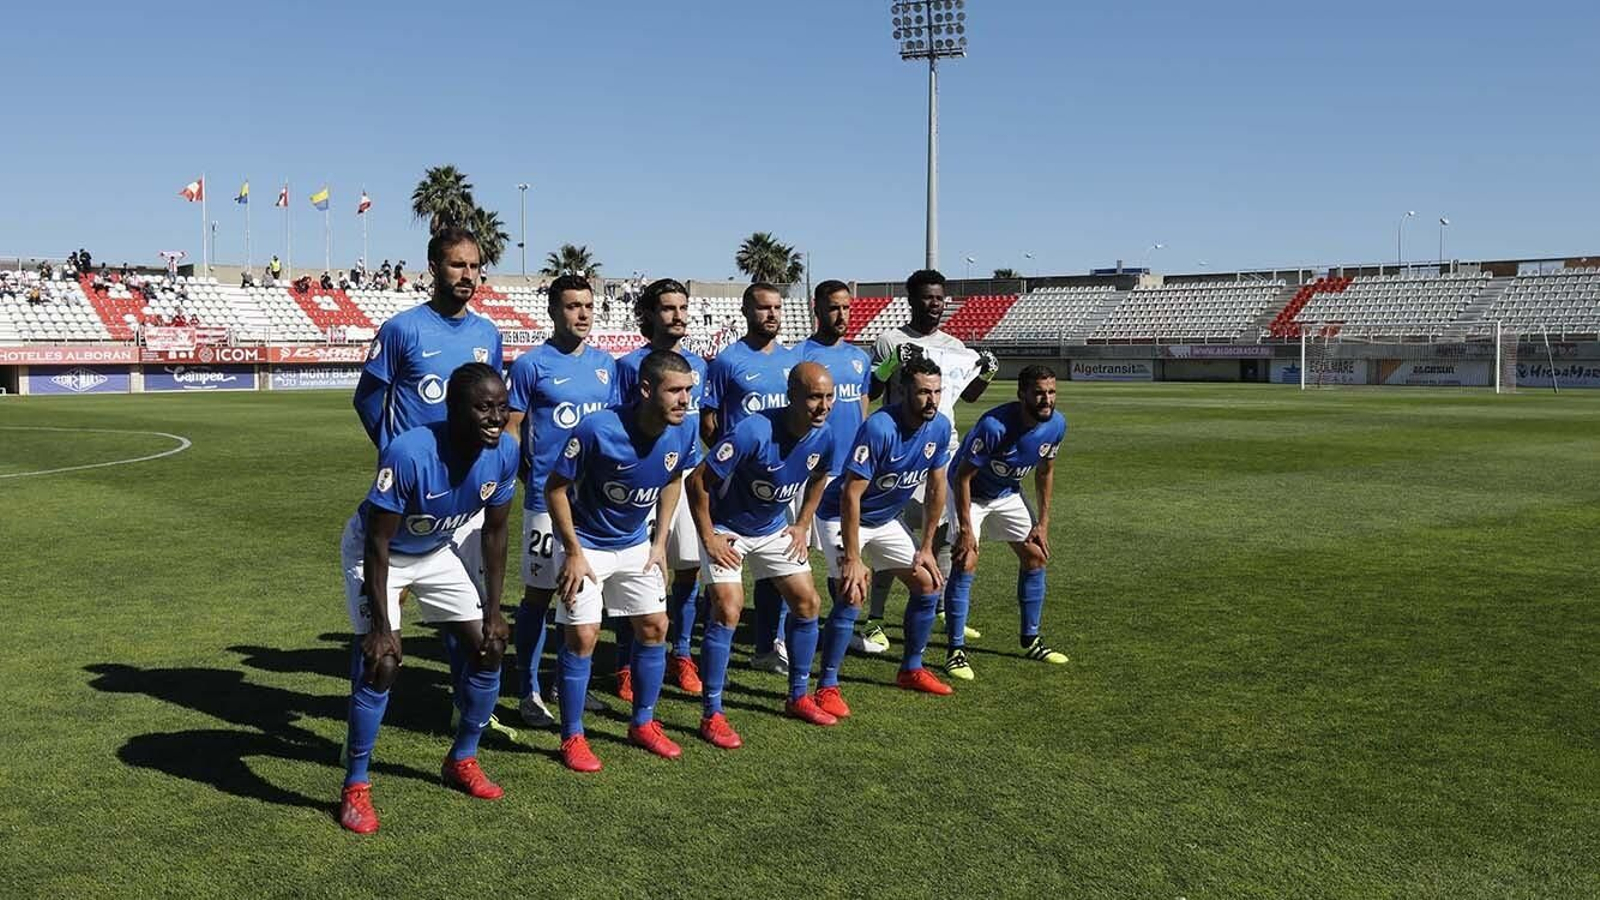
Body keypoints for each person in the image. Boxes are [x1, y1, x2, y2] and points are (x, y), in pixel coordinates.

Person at [336, 363, 520, 834]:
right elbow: (378, 542)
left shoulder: (504, 454)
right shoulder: (409, 452)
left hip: (436, 550)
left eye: (501, 407)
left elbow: (496, 534)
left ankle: (462, 758)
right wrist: (381, 625)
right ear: (453, 409)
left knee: (490, 646)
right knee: (384, 661)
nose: (496, 417)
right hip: (379, 554)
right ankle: (355, 785)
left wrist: (495, 610)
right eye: (483, 407)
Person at [351, 227, 505, 715]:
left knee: (474, 617)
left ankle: (467, 707)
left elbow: (495, 401)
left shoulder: (487, 334)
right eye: (457, 264)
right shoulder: (403, 329)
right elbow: (368, 396)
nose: (467, 275)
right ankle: (364, 715)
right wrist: (399, 451)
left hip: (470, 492)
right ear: (433, 268)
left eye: (475, 265)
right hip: (416, 488)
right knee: (384, 637)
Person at [546, 350, 700, 772]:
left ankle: (643, 723)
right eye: (675, 390)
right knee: (584, 636)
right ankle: (572, 736)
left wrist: (659, 539)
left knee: (654, 627)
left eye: (689, 389)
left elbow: (673, 479)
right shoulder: (598, 428)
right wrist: (573, 552)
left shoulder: (683, 432)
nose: (685, 399)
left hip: (637, 543)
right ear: (646, 389)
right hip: (587, 546)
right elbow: (554, 488)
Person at [686, 362, 839, 748]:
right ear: (792, 397)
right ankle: (713, 713)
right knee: (728, 609)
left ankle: (798, 697)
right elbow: (697, 481)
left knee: (808, 603)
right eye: (814, 398)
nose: (823, 406)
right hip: (728, 528)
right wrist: (709, 537)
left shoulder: (825, 435)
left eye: (828, 397)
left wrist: (803, 523)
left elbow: (821, 475)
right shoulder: (753, 431)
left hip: (774, 529)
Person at [857, 268, 999, 653]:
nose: (934, 304)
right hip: (899, 451)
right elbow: (872, 388)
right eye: (926, 298)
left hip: (942, 448)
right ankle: (875, 619)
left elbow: (967, 397)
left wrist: (985, 372)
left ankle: (938, 606)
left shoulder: (954, 345)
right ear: (911, 300)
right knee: (893, 535)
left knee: (941, 532)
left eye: (939, 298)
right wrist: (890, 365)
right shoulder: (891, 340)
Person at [505, 274, 618, 728]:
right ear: (553, 311)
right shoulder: (531, 365)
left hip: (594, 506)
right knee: (538, 596)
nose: (583, 314)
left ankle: (566, 683)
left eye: (588, 305)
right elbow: (511, 427)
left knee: (584, 596)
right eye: (573, 306)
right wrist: (520, 474)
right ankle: (529, 690)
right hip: (545, 501)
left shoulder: (606, 365)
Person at [814, 356, 955, 715]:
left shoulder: (939, 427)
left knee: (927, 584)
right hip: (840, 516)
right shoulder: (879, 428)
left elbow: (937, 487)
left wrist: (925, 548)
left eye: (937, 392)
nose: (932, 400)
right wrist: (854, 557)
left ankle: (911, 669)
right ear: (903, 391)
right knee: (852, 591)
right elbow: (850, 495)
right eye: (923, 392)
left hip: (886, 518)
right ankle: (826, 686)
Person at [941, 365, 1069, 679]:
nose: (1046, 400)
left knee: (1036, 556)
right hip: (968, 492)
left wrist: (1043, 523)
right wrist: (967, 531)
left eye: (1051, 392)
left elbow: (1045, 471)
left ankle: (1031, 639)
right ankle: (955, 651)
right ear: (1022, 394)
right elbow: (962, 476)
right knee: (966, 558)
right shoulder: (994, 426)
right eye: (1039, 393)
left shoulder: (1056, 425)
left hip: (1006, 492)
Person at [613, 279, 709, 698]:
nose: (678, 315)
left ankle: (682, 654)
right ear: (649, 315)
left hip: (682, 475)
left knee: (687, 566)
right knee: (634, 567)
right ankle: (623, 664)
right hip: (635, 477)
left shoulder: (700, 365)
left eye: (683, 307)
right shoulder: (626, 367)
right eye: (668, 308)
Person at [702, 282, 798, 674]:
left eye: (777, 307)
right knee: (724, 561)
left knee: (777, 565)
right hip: (736, 480)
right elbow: (709, 419)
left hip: (784, 475)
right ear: (746, 311)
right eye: (763, 308)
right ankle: (709, 640)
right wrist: (731, 459)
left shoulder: (794, 361)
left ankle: (768, 643)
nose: (771, 314)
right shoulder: (727, 361)